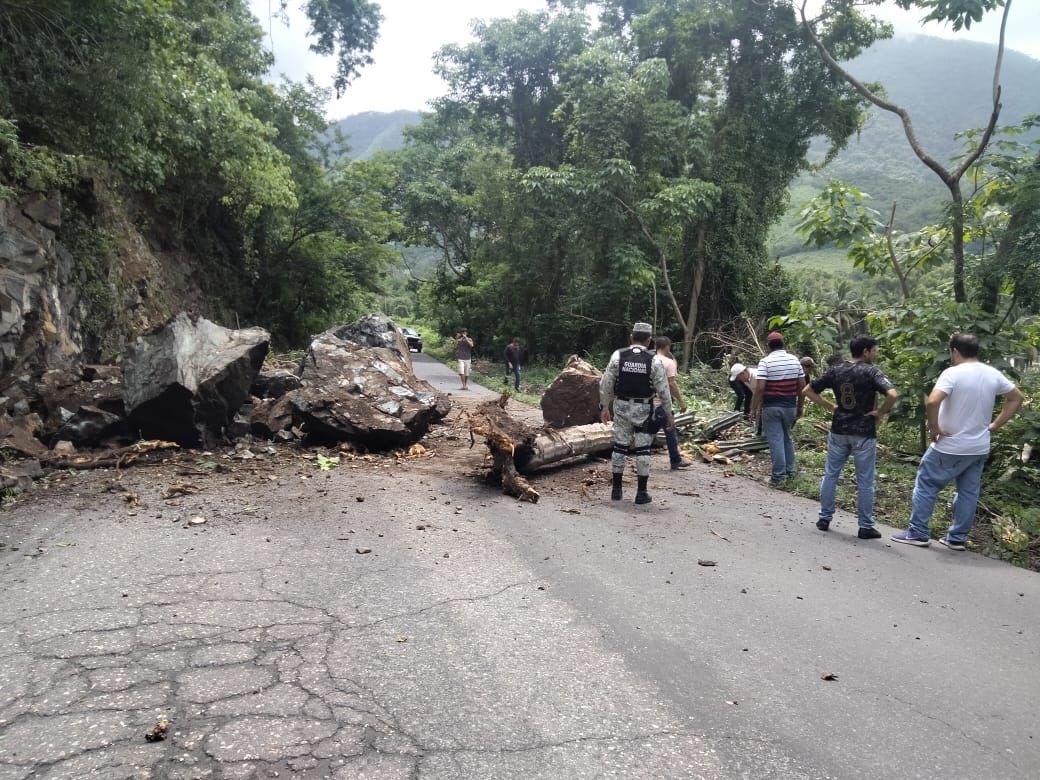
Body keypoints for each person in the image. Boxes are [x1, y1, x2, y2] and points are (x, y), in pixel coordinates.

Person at [891, 332, 1024, 550]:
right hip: (979, 447)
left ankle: (918, 532)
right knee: (968, 492)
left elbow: (933, 402)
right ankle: (957, 538)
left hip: (950, 445)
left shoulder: (952, 373)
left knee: (926, 484)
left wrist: (934, 428)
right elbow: (1016, 398)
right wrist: (995, 425)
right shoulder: (993, 374)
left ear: (954, 351)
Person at [802, 336, 899, 539]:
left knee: (831, 474)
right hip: (863, 432)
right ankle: (865, 526)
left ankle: (824, 518)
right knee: (865, 481)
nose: (875, 353)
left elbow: (808, 390)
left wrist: (832, 406)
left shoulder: (836, 370)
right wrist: (881, 412)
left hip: (839, 430)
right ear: (865, 351)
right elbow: (892, 394)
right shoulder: (872, 371)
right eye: (874, 350)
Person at [600, 322, 673, 504]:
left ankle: (616, 490)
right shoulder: (654, 360)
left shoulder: (619, 356)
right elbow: (663, 390)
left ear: (631, 337)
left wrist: (604, 407)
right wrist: (669, 413)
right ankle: (641, 493)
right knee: (643, 449)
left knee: (619, 446)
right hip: (643, 409)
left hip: (621, 406)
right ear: (649, 341)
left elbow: (606, 384)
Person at [750, 331, 806, 485]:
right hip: (790, 406)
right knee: (787, 437)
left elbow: (760, 388)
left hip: (771, 406)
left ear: (769, 346)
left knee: (776, 440)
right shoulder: (795, 361)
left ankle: (778, 477)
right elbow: (802, 385)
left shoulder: (765, 362)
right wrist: (800, 407)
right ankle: (790, 471)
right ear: (783, 343)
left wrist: (753, 409)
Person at [653, 336, 692, 470]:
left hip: (645, 403)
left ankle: (642, 458)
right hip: (662, 404)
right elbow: (671, 384)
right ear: (667, 346)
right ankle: (675, 460)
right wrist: (681, 401)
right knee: (670, 430)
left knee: (646, 433)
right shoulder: (668, 362)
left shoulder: (648, 360)